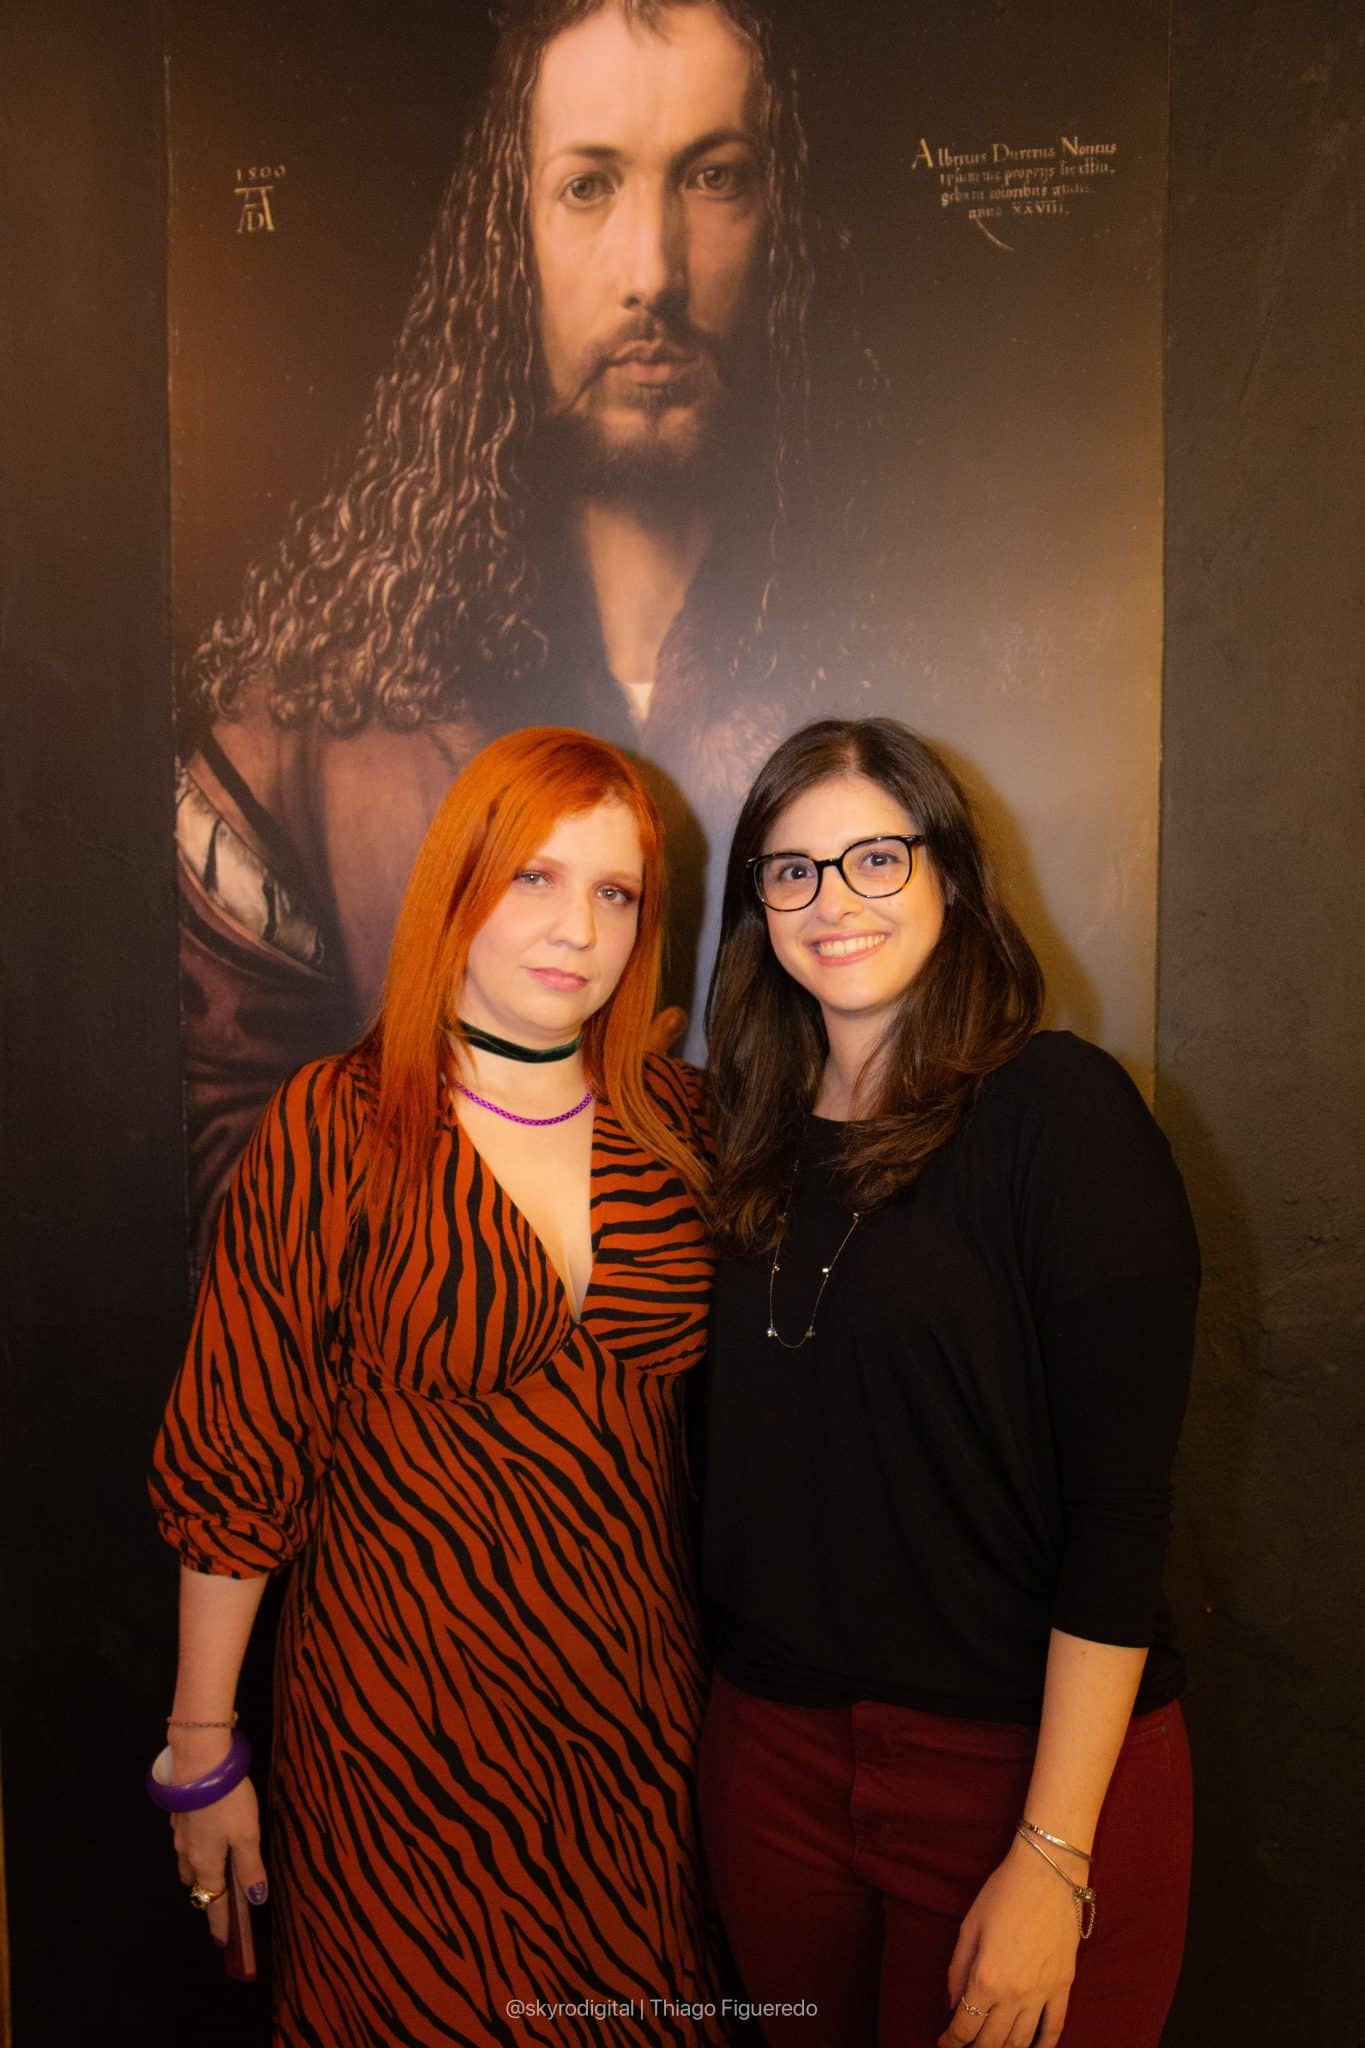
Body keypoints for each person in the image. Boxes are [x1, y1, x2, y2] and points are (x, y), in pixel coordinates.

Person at [176, 0, 891, 1255]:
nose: (652, 273)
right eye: (587, 186)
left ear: (788, 223)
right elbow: (229, 1154)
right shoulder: (305, 730)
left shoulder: (904, 667)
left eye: (715, 177)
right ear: (504, 239)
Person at [149, 727, 725, 2046]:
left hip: (638, 1737)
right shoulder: (337, 1121)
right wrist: (203, 1746)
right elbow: (238, 1455)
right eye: (535, 877)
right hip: (399, 1739)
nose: (578, 927)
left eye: (615, 891)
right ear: (458, 882)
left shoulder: (681, 1125)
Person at [697, 718, 1199, 2048]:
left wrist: (1053, 1848)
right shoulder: (738, 1136)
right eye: (791, 870)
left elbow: (1121, 1518)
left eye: (875, 856)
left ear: (951, 875)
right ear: (757, 906)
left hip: (1019, 1766)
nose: (833, 900)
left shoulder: (1062, 1114)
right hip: (772, 1758)